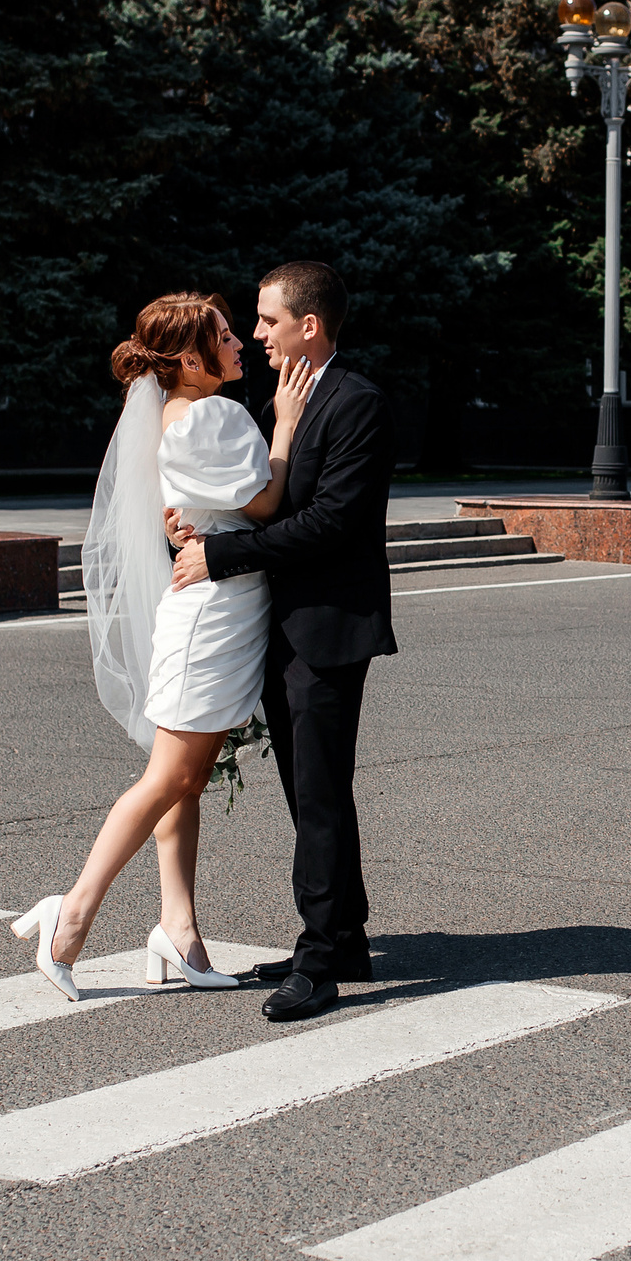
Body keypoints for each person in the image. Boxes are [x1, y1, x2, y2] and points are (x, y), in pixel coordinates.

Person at [12, 292, 316, 1000]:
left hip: (211, 608)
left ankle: (178, 929)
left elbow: (192, 510)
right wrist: (286, 425)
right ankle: (72, 914)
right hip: (214, 616)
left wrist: (190, 526)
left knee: (186, 777)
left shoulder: (174, 415)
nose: (238, 342)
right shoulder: (215, 415)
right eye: (224, 336)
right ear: (190, 359)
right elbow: (264, 503)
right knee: (169, 779)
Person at [170, 262, 396, 1023]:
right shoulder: (285, 401)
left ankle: (319, 960)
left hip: (328, 626)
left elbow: (329, 522)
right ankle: (347, 939)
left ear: (310, 325)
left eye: (268, 321)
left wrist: (221, 555)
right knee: (311, 791)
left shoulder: (357, 402)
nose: (257, 334)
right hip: (282, 622)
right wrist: (197, 525)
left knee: (321, 793)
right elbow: (263, 502)